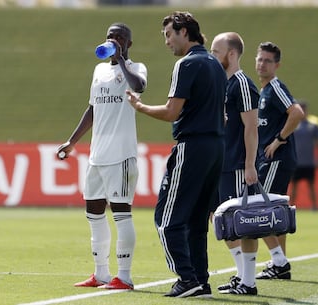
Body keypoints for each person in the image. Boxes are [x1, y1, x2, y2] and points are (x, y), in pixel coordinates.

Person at [126, 11, 227, 298]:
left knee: (167, 218)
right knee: (197, 220)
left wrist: (140, 107)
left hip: (193, 146)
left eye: (169, 34)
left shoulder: (187, 63)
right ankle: (201, 280)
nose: (167, 41)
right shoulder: (215, 65)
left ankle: (186, 278)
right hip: (216, 146)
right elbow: (223, 114)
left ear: (185, 32)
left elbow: (172, 111)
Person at [57, 23, 147, 290]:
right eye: (110, 36)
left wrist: (121, 60)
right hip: (97, 156)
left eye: (120, 37)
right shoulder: (99, 70)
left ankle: (125, 276)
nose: (114, 40)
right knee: (94, 213)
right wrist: (72, 142)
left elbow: (139, 86)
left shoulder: (137, 68)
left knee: (121, 213)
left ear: (129, 43)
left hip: (121, 155)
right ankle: (101, 274)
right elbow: (93, 108)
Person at [210, 32, 260, 295]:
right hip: (220, 164)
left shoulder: (242, 83)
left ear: (231, 54)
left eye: (216, 52)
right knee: (221, 221)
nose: (212, 56)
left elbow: (251, 127)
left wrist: (250, 164)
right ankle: (242, 275)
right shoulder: (221, 83)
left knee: (245, 222)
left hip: (238, 164)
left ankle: (249, 281)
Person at [255, 41, 304, 280]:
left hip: (276, 159)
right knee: (275, 210)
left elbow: (296, 113)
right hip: (273, 160)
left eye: (268, 61)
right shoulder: (264, 90)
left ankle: (279, 262)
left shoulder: (275, 87)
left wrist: (278, 140)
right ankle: (279, 263)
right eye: (260, 59)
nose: (262, 64)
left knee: (258, 207)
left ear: (277, 65)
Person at [291, 101, 318, 210]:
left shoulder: (312, 126)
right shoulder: (293, 125)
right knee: (294, 187)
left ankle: (315, 208)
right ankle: (290, 207)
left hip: (309, 161)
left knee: (311, 186)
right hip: (296, 161)